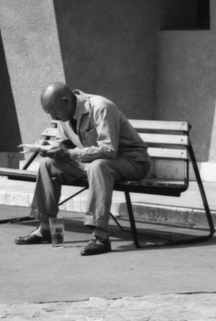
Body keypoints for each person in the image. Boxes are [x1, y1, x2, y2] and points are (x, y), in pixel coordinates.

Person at [13, 82, 151, 257]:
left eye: (53, 112)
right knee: (48, 164)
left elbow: (108, 150)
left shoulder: (101, 107)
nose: (53, 117)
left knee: (99, 165)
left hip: (132, 161)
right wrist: (49, 147)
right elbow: (66, 144)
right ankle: (47, 230)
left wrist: (69, 153)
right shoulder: (65, 116)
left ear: (66, 101)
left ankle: (100, 237)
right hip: (94, 162)